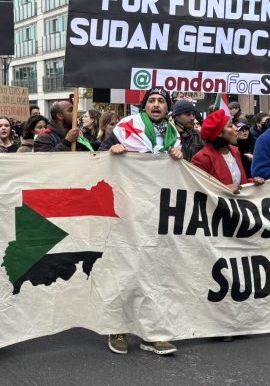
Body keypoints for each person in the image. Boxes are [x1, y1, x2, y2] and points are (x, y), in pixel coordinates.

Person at [101, 88, 182, 356]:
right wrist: (111, 149)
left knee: (156, 272)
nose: (156, 105)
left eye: (161, 101)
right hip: (127, 210)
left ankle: (153, 333)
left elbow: (180, 177)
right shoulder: (127, 127)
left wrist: (180, 159)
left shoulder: (174, 136)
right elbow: (99, 159)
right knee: (126, 269)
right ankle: (118, 328)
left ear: (167, 107)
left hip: (157, 212)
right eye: (152, 101)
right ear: (143, 106)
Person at [191, 110, 264, 192]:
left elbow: (240, 183)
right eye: (230, 126)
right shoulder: (201, 158)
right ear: (219, 133)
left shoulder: (235, 151)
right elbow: (198, 190)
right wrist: (224, 189)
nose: (236, 128)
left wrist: (253, 182)